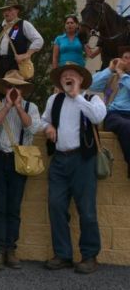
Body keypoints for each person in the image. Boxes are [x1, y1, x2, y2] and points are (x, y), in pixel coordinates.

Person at [42, 64, 106, 274]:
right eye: (64, 76)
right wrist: (48, 127)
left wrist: (77, 95)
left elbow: (97, 117)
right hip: (59, 160)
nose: (67, 77)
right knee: (55, 206)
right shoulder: (54, 100)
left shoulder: (92, 99)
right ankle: (63, 254)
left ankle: (89, 256)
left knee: (86, 210)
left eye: (71, 75)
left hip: (83, 161)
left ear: (81, 79)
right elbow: (42, 121)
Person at [0, 71, 41, 270]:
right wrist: (8, 105)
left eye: (17, 87)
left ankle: (11, 249)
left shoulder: (30, 107)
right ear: (5, 89)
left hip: (20, 160)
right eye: (9, 86)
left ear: (23, 90)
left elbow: (33, 128)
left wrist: (17, 107)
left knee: (14, 207)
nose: (13, 90)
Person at [90, 46, 130, 177]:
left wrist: (122, 74)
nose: (127, 61)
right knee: (126, 126)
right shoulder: (113, 77)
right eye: (125, 58)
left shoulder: (123, 76)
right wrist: (110, 69)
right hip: (114, 115)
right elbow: (91, 84)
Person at [0, 0, 44, 78]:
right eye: (4, 10)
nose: (6, 12)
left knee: (14, 88)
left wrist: (27, 54)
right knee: (1, 89)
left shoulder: (24, 24)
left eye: (9, 10)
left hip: (17, 64)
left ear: (17, 10)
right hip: (1, 64)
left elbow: (39, 40)